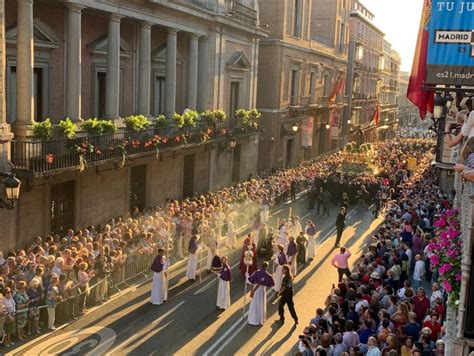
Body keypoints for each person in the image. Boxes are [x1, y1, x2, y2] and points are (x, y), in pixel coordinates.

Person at [247, 262, 275, 326]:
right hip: (262, 290)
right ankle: (260, 320)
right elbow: (272, 284)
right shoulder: (268, 275)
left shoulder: (257, 272)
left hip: (256, 290)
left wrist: (247, 275)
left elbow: (250, 280)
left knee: (254, 304)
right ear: (267, 267)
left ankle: (252, 320)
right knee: (261, 304)